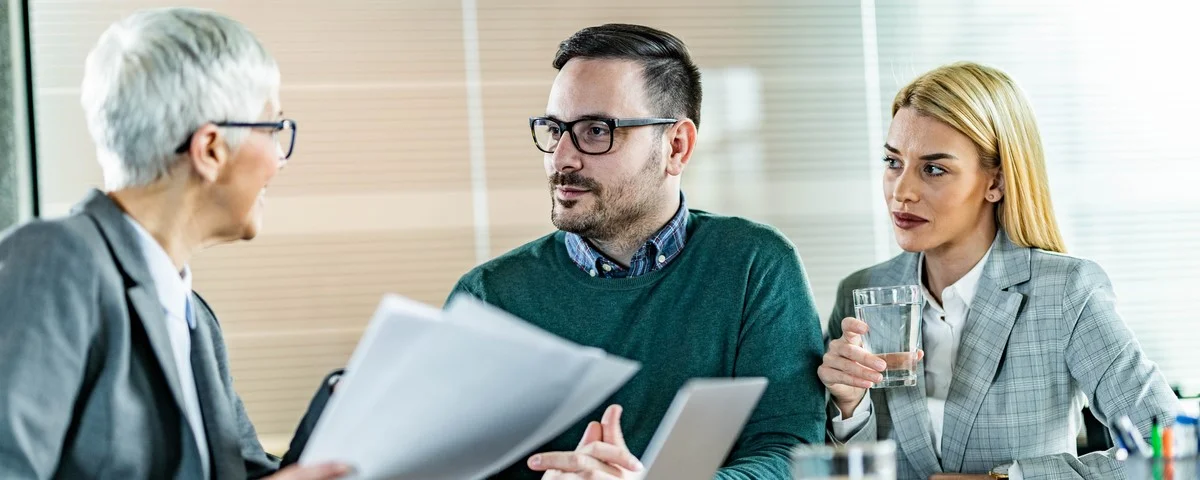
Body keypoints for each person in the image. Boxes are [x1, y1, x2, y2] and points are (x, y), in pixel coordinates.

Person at [450, 24, 825, 479]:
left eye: (596, 130)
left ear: (676, 146)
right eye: (554, 129)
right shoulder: (489, 296)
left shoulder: (753, 265)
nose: (562, 158)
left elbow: (791, 454)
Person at [0, 8, 346, 479]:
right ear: (210, 150)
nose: (279, 160)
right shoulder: (56, 260)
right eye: (273, 127)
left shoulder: (193, 314)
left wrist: (349, 412)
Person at [817, 62, 1179, 479]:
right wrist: (848, 406)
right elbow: (837, 467)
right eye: (893, 162)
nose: (902, 191)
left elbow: (1167, 448)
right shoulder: (862, 292)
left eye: (934, 169)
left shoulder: (1065, 293)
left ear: (997, 183)